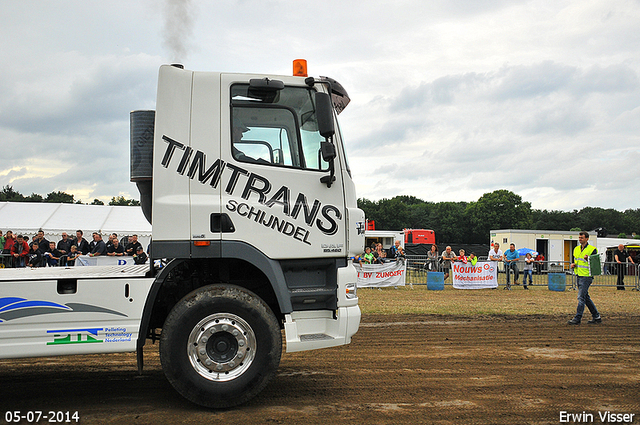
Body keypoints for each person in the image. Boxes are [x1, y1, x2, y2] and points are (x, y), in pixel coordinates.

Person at [568, 231, 601, 325]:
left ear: (587, 238)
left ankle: (577, 318)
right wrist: (573, 265)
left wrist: (588, 259)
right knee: (585, 297)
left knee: (581, 297)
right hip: (579, 274)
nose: (580, 239)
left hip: (587, 276)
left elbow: (595, 263)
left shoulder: (592, 249)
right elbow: (576, 260)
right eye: (579, 237)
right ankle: (596, 316)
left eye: (581, 238)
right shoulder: (576, 249)